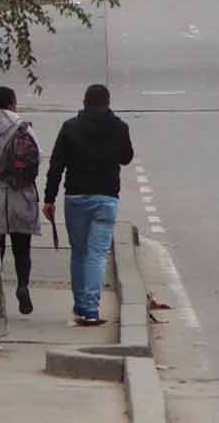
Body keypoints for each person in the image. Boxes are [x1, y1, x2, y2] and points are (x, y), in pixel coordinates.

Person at [43, 84, 134, 327]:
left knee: (80, 252)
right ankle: (91, 309)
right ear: (108, 102)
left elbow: (56, 165)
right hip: (106, 198)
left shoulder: (70, 127)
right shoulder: (119, 127)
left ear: (84, 102)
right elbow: (126, 157)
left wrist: (49, 198)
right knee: (97, 253)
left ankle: (81, 305)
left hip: (76, 198)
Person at [0, 86, 41, 315]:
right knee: (22, 248)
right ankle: (22, 285)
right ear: (12, 103)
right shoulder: (22, 127)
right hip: (20, 192)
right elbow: (36, 156)